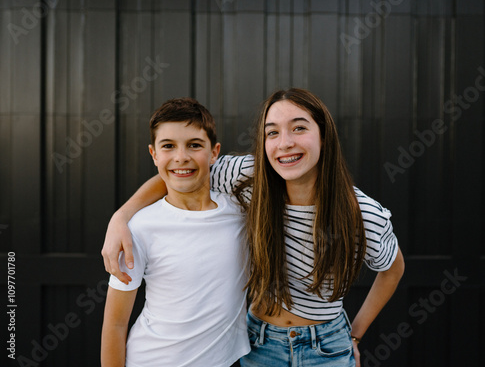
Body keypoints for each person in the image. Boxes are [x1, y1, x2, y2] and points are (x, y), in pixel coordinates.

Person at [102, 88, 405, 366]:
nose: (285, 143)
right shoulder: (248, 176)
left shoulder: (361, 212)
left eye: (299, 128)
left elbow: (392, 269)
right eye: (272, 133)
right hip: (260, 345)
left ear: (323, 135)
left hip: (327, 348)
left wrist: (356, 334)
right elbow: (182, 173)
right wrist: (122, 215)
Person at [101, 98, 250, 367]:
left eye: (194, 145)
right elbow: (115, 323)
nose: (181, 157)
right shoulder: (139, 227)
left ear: (214, 152)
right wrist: (121, 216)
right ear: (154, 154)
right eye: (168, 146)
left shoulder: (241, 213)